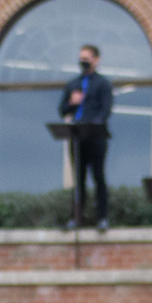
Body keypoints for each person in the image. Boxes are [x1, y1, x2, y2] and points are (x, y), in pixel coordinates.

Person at [59, 44, 113, 230]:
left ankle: (102, 218)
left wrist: (94, 124)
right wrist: (72, 103)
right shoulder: (73, 84)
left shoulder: (103, 84)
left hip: (96, 138)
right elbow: (62, 110)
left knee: (98, 177)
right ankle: (76, 217)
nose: (83, 61)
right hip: (77, 138)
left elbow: (105, 111)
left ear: (96, 60)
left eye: (87, 57)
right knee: (78, 179)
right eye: (81, 57)